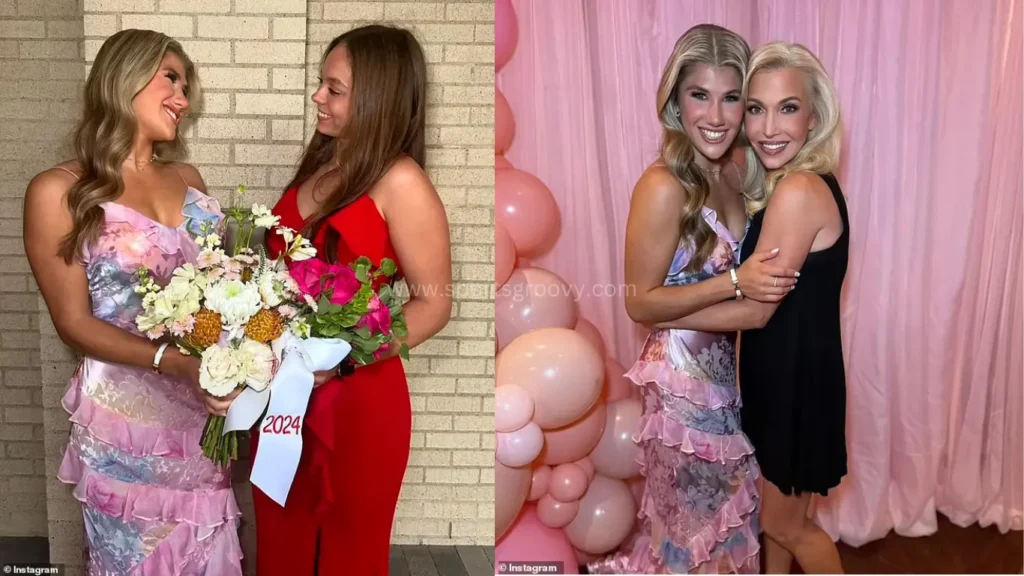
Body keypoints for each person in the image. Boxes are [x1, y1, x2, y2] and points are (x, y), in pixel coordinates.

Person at [22, 29, 243, 574]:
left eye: (186, 86)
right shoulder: (59, 191)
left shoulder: (189, 180)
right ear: (124, 78)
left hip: (201, 415)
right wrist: (179, 363)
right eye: (170, 77)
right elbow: (73, 323)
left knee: (207, 545)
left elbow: (223, 289)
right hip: (124, 422)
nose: (182, 99)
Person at [588, 24, 799, 574]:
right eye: (699, 95)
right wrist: (735, 282)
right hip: (680, 391)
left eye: (732, 98)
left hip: (729, 382)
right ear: (676, 102)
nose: (716, 116)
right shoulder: (663, 185)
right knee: (691, 539)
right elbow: (640, 303)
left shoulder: (735, 172)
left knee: (724, 533)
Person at [255, 25, 453, 575]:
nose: (318, 96)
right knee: (282, 544)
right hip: (282, 398)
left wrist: (338, 362)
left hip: (358, 403)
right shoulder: (320, 167)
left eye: (333, 88)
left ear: (376, 96)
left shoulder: (402, 182)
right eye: (321, 84)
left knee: (348, 554)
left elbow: (434, 304)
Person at [668, 41, 848, 573]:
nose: (769, 127)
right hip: (784, 377)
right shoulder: (790, 183)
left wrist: (663, 312)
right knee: (774, 527)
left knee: (785, 525)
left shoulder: (798, 190)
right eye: (755, 108)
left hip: (795, 384)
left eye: (787, 108)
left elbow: (756, 311)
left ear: (814, 116)